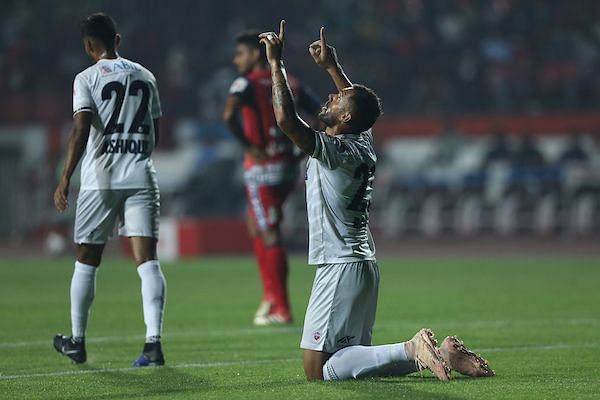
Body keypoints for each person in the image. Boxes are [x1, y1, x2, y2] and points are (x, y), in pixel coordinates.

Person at [259, 21, 495, 381]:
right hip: (361, 263)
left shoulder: (336, 150)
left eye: (336, 100)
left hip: (339, 264)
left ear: (346, 118)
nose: (330, 97)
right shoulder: (362, 142)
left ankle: (411, 349)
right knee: (353, 359)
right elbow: (359, 104)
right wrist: (332, 68)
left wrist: (276, 64)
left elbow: (286, 121)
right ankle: (441, 354)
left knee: (316, 370)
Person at [52, 13, 166, 367]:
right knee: (147, 261)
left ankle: (78, 341)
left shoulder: (86, 78)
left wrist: (65, 177)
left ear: (88, 46)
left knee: (86, 261)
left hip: (101, 180)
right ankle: (153, 344)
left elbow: (80, 129)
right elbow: (155, 130)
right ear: (117, 39)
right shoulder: (146, 75)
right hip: (141, 175)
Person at [223, 30, 320, 325]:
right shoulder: (291, 82)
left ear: (255, 54)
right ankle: (270, 297)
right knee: (258, 224)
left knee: (269, 231)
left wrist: (251, 146)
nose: (235, 59)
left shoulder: (246, 82)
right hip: (288, 165)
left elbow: (228, 116)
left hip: (262, 168)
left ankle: (281, 307)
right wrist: (304, 146)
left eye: (240, 53)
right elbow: (318, 113)